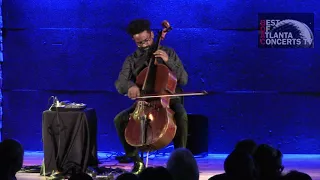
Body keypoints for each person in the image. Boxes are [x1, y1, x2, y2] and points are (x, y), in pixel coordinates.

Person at [114, 19, 189, 174]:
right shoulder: (132, 59)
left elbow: (184, 79)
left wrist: (169, 62)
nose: (145, 45)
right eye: (140, 43)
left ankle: (180, 159)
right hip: (144, 102)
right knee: (119, 120)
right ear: (134, 41)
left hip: (169, 101)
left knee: (181, 115)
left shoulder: (168, 53)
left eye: (147, 41)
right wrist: (131, 86)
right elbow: (120, 82)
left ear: (152, 34)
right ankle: (136, 160)